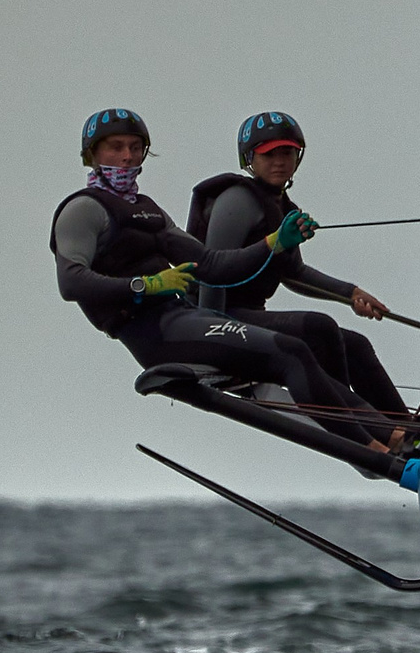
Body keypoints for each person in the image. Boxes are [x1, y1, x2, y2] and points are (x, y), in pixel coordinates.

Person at [51, 108, 400, 451]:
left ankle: (393, 434)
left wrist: (273, 244)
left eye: (134, 147)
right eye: (115, 147)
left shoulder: (148, 209)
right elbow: (71, 283)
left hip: (183, 319)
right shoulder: (83, 209)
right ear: (91, 154)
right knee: (293, 350)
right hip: (152, 334)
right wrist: (146, 285)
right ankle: (374, 448)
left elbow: (211, 265)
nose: (127, 156)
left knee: (303, 349)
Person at [186, 112, 414, 439]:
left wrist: (350, 293)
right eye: (269, 154)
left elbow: (293, 273)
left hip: (248, 316)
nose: (279, 162)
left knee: (356, 344)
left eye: (287, 153)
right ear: (249, 159)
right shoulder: (237, 199)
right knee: (319, 328)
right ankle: (362, 428)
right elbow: (212, 270)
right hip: (218, 318)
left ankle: (407, 429)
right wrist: (214, 337)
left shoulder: (284, 208)